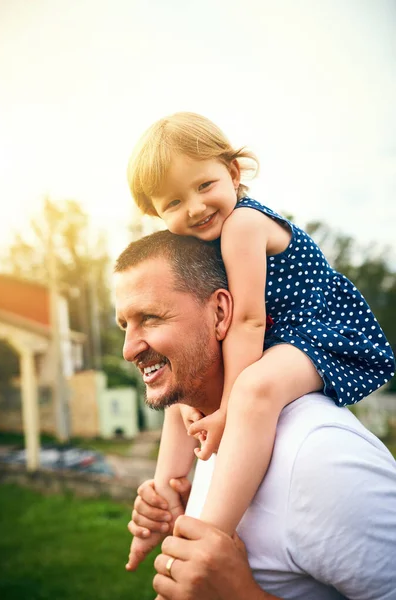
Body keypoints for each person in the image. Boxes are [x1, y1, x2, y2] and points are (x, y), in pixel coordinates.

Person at [124, 112, 395, 569]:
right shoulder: (202, 239)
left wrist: (230, 406)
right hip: (281, 337)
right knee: (180, 397)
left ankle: (204, 543)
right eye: (173, 202)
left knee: (254, 391)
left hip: (321, 332)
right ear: (155, 213)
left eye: (205, 185)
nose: (194, 207)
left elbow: (248, 321)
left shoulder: (242, 226)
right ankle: (163, 500)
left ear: (233, 172)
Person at [114, 230, 396, 599]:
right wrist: (182, 516)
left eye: (149, 318)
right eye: (124, 325)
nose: (128, 349)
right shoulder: (214, 427)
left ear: (220, 312)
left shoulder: (321, 459)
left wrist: (241, 594)